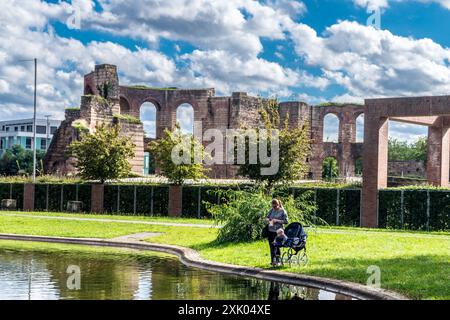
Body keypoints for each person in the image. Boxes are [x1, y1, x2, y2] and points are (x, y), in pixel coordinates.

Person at [266, 199, 288, 266]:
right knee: (271, 246)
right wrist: (268, 220)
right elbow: (267, 217)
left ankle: (278, 260)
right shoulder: (271, 210)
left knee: (277, 246)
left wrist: (277, 221)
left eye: (275, 206)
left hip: (278, 232)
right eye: (273, 206)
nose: (274, 208)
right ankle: (273, 261)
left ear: (278, 205)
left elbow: (286, 221)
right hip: (270, 230)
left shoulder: (282, 211)